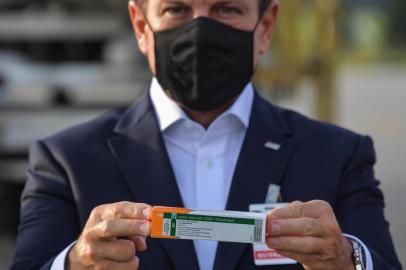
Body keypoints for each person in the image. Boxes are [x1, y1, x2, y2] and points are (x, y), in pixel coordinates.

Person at [11, 0, 402, 269]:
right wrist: (75, 262)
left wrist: (346, 258)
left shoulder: (338, 155)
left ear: (265, 27)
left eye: (226, 8)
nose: (200, 30)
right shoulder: (67, 160)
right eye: (177, 9)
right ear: (140, 26)